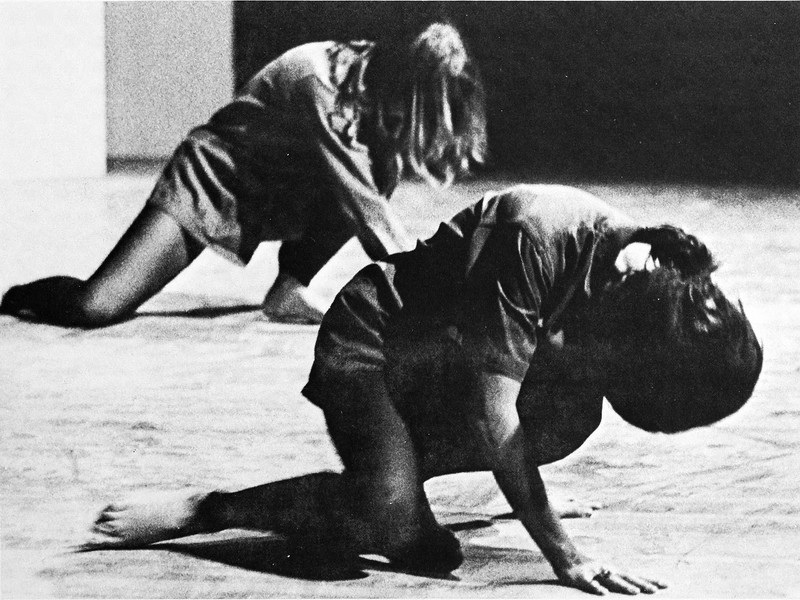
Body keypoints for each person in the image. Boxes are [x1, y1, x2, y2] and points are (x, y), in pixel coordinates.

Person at [84, 185, 762, 595]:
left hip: (446, 361)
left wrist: (526, 492)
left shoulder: (656, 279)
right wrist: (565, 553)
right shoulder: (538, 237)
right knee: (386, 519)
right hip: (375, 343)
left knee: (568, 419)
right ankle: (205, 511)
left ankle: (412, 484)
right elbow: (496, 416)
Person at [0, 22, 487, 327]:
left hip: (284, 190)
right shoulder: (320, 82)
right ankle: (18, 295)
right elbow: (371, 217)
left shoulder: (378, 89)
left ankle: (290, 287)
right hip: (214, 182)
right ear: (405, 83)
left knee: (380, 167)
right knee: (95, 307)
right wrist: (441, 300)